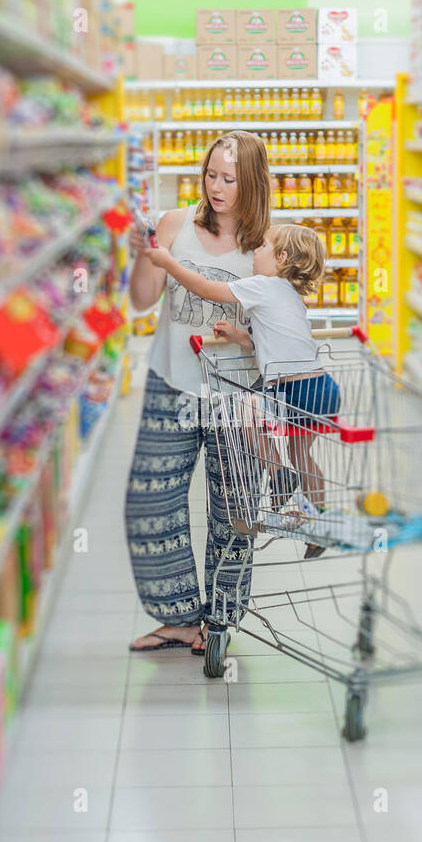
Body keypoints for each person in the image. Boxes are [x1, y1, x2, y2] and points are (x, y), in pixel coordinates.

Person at [125, 131, 272, 654]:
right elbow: (143, 302)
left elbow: (276, 335)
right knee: (151, 503)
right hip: (171, 383)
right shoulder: (174, 224)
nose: (217, 186)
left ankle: (221, 622)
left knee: (234, 509)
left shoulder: (263, 249)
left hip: (236, 395)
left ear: (252, 183)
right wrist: (146, 257)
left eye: (230, 179)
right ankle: (181, 618)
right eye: (211, 174)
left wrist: (246, 337)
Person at [144, 224, 340, 543]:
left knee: (242, 408)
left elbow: (207, 289)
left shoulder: (263, 284)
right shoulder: (291, 293)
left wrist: (169, 263)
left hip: (293, 391)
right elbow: (275, 339)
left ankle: (278, 473)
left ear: (282, 257)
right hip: (322, 388)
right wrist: (240, 337)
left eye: (261, 247)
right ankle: (320, 517)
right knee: (302, 452)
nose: (255, 253)